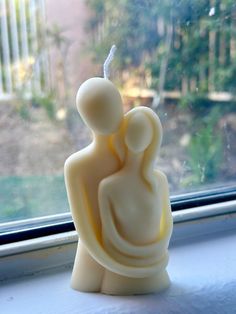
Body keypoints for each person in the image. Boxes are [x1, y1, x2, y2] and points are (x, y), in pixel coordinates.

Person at [98, 107, 173, 295]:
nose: (137, 136)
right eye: (133, 129)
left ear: (152, 139)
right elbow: (110, 236)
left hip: (156, 267)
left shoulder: (159, 181)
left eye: (144, 131)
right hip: (121, 273)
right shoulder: (108, 186)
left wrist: (156, 251)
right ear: (123, 134)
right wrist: (138, 256)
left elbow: (167, 224)